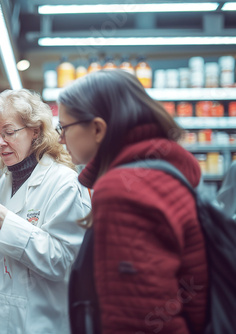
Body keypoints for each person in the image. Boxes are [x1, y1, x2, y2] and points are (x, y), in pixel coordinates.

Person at [58, 70, 209, 334]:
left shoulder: (121, 190)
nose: (60, 138)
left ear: (97, 128)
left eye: (64, 127)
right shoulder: (161, 171)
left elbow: (138, 320)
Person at [0, 89, 91, 334]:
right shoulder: (4, 183)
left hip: (40, 320)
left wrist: (4, 219)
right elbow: (2, 245)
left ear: (34, 131)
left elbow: (62, 261)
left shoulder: (64, 183)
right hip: (2, 316)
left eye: (8, 132)